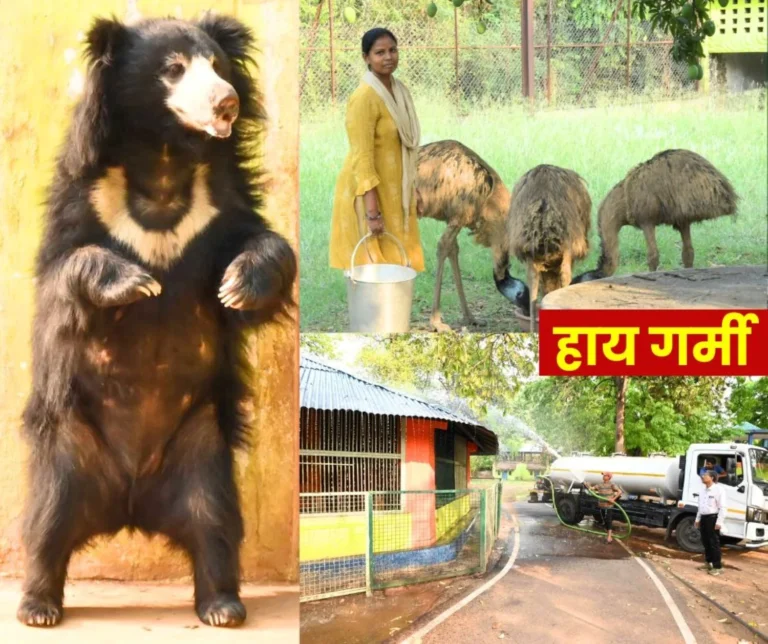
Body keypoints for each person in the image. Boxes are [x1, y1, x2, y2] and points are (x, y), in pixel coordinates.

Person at [329, 27, 425, 276]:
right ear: (366, 58)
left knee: (398, 266)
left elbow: (405, 147)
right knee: (374, 272)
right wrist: (372, 214)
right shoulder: (364, 98)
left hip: (396, 194)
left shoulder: (400, 91)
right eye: (379, 52)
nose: (388, 57)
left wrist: (414, 189)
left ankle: (394, 315)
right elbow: (363, 158)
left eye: (392, 50)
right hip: (368, 193)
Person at [695, 469, 727, 575]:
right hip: (704, 518)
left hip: (713, 518)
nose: (703, 476)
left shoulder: (719, 490)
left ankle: (717, 567)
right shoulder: (702, 490)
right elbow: (700, 506)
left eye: (705, 475)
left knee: (714, 543)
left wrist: (719, 522)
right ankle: (708, 563)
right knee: (705, 541)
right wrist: (697, 519)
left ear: (712, 478)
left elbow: (722, 507)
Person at [589, 472, 622, 543]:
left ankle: (609, 537)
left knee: (608, 521)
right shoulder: (600, 484)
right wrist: (588, 486)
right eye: (603, 475)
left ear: (609, 477)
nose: (603, 476)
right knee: (604, 521)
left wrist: (613, 499)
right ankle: (608, 534)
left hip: (608, 506)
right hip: (601, 506)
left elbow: (619, 492)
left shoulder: (612, 485)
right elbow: (592, 488)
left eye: (605, 475)